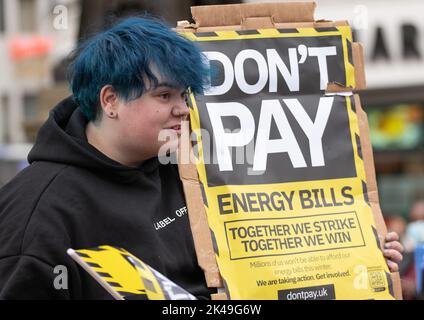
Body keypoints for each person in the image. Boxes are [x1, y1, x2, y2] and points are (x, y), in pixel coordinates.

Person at [0, 16, 403, 300]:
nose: (182, 110)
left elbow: (262, 270)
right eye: (164, 95)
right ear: (110, 101)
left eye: (185, 96)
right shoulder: (38, 207)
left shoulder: (197, 169)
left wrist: (358, 252)